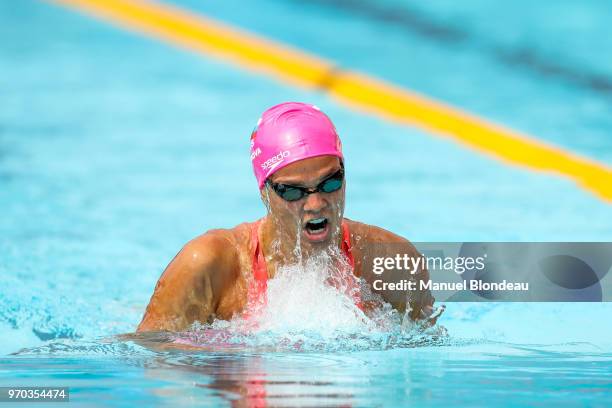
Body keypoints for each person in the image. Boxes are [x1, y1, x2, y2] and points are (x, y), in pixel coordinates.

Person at [137, 102, 441, 332]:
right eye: (293, 192)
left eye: (330, 182)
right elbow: (152, 361)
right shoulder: (210, 264)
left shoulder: (393, 261)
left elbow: (427, 355)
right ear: (264, 192)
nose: (316, 203)